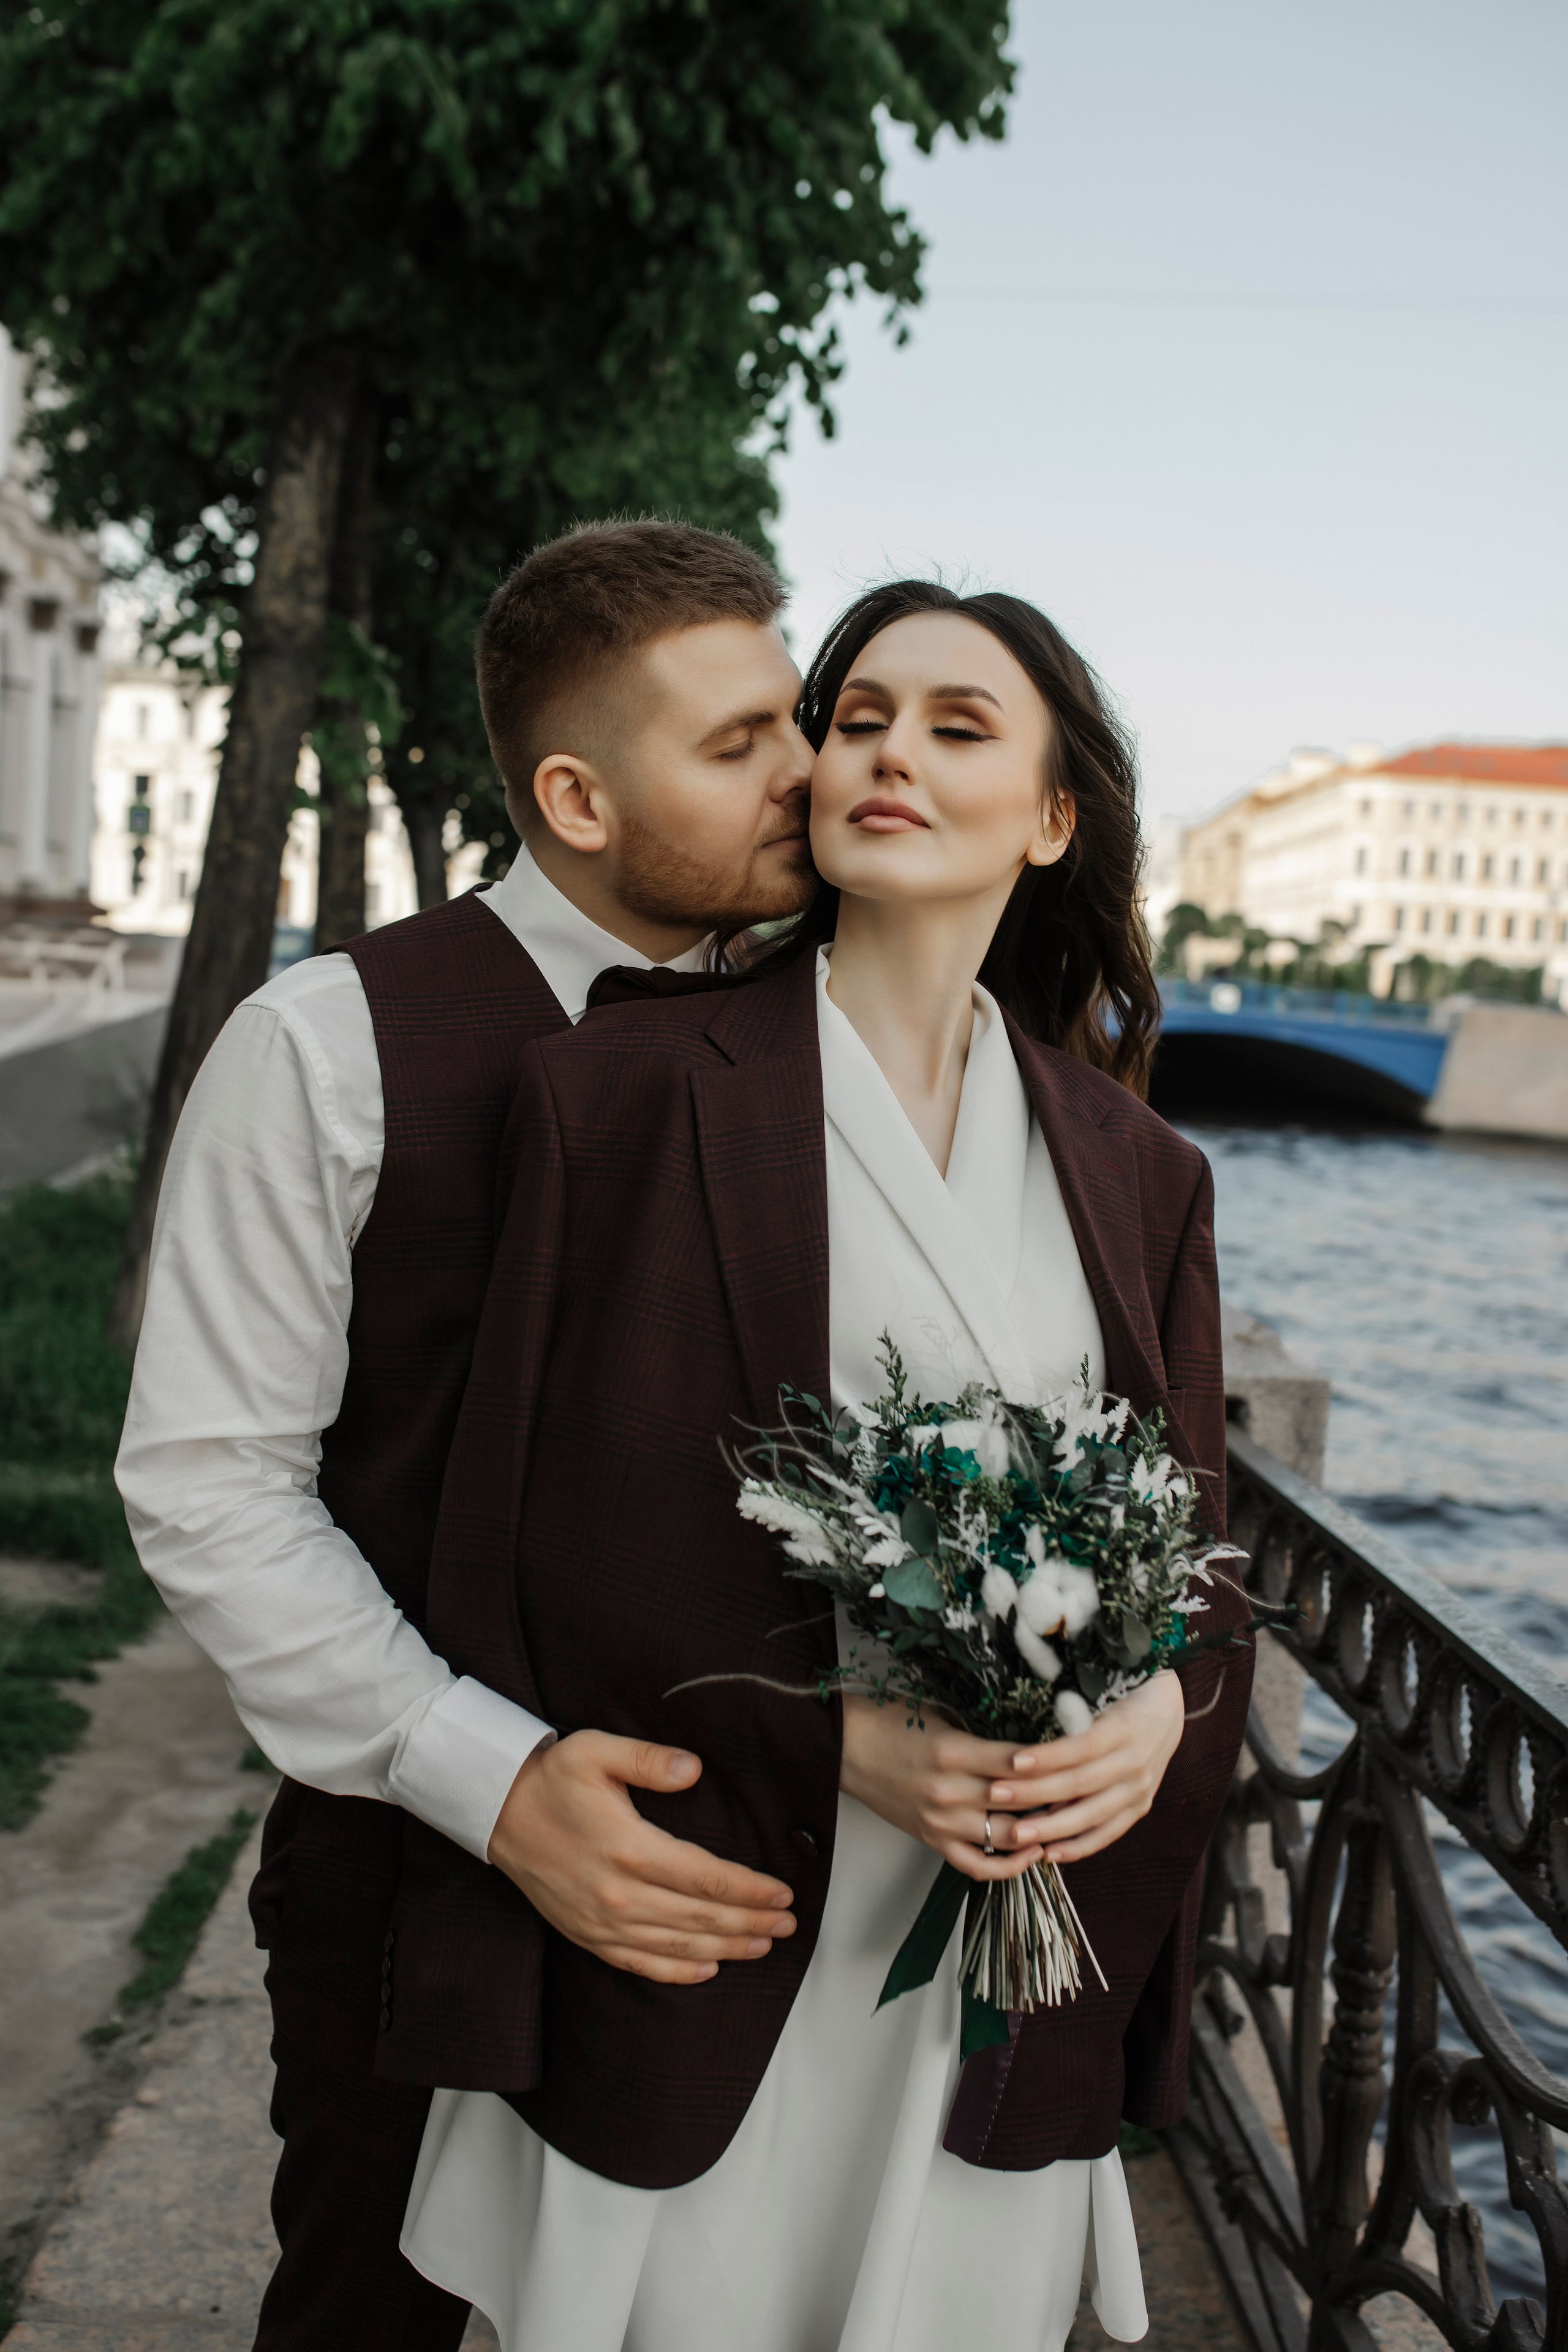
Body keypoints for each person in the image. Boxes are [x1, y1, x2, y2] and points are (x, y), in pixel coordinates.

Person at [388, 581, 1256, 2349]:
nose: (889, 755)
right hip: (720, 1893)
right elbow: (532, 1534)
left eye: (959, 728)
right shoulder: (616, 1090)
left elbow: (1204, 1557)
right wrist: (833, 1740)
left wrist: (1159, 1710)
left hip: (996, 1951)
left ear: (1054, 813)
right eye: (859, 717)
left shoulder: (1141, 1169)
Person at [114, 518, 824, 2352]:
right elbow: (211, 1488)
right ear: (577, 797)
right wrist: (492, 1783)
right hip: (415, 1887)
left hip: (760, 1891)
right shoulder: (324, 1046)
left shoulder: (834, 1039)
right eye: (738, 744)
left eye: (794, 719)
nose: (807, 773)